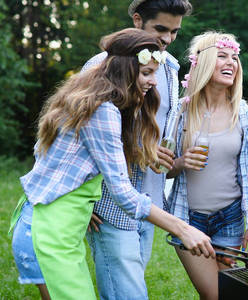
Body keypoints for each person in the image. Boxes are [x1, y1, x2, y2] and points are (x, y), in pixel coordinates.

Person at [9, 28, 214, 300]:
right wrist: (182, 228)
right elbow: (125, 196)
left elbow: (45, 154)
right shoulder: (103, 110)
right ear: (125, 70)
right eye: (146, 73)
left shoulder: (92, 98)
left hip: (46, 225)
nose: (154, 82)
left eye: (154, 72)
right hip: (48, 233)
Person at [80, 1, 193, 300]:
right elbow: (78, 136)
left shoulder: (169, 68)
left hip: (150, 200)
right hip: (108, 203)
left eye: (175, 32)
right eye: (161, 29)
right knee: (128, 293)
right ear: (137, 19)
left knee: (127, 288)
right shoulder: (99, 66)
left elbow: (160, 126)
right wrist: (81, 199)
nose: (168, 39)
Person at [166, 31, 248, 300]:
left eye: (234, 57)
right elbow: (162, 169)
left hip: (229, 218)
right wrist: (182, 162)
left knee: (229, 294)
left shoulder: (242, 112)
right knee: (213, 294)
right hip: (189, 218)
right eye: (222, 56)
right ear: (203, 63)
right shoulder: (180, 111)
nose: (231, 62)